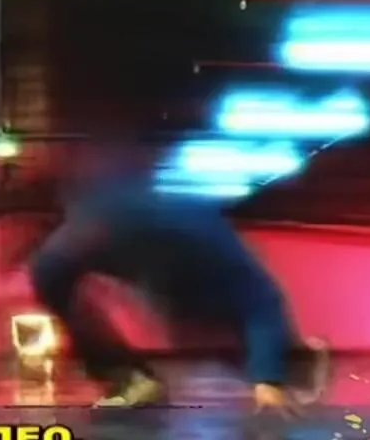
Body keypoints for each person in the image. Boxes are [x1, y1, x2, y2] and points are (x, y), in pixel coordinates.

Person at [29, 171, 321, 412]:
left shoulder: (200, 235)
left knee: (202, 326)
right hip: (132, 238)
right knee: (50, 272)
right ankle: (130, 376)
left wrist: (267, 379)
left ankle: (285, 361)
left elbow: (262, 300)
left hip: (183, 259)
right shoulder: (87, 238)